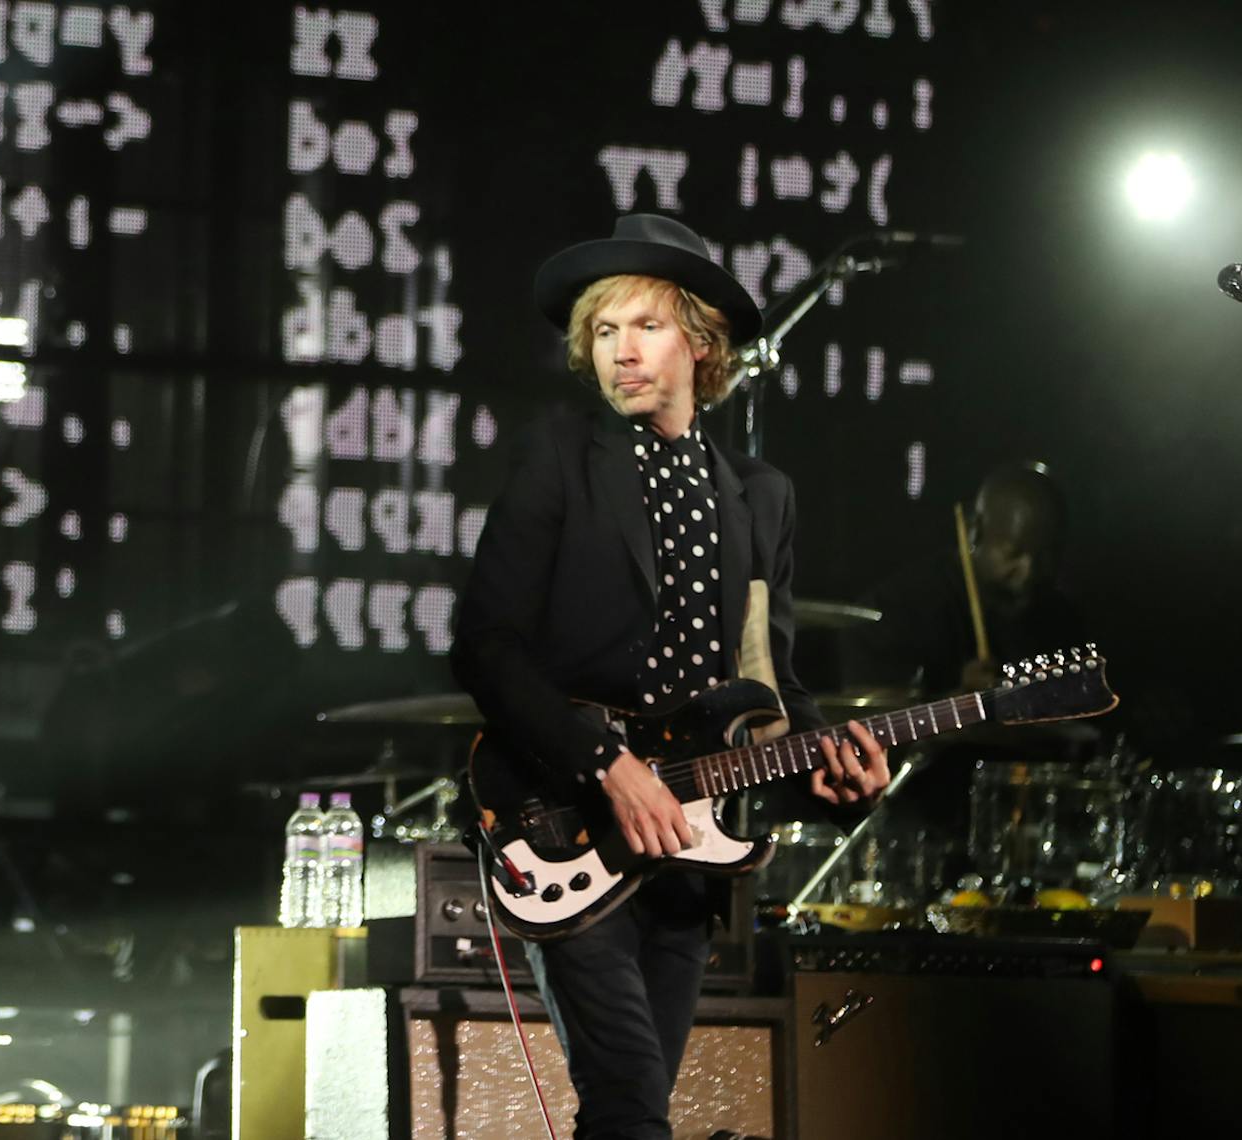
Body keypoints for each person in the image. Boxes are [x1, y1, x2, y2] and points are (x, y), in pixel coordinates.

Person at [452, 213, 890, 1140]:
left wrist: (836, 777)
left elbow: (772, 687)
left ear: (700, 339)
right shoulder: (561, 463)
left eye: (643, 326)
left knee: (629, 1112)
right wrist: (608, 764)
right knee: (630, 1105)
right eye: (603, 333)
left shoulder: (762, 495)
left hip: (695, 849)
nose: (621, 353)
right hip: (570, 818)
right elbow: (486, 645)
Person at [857, 462, 1086, 696]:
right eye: (1012, 554)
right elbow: (877, 715)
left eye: (1044, 557)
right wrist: (960, 702)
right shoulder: (899, 608)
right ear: (972, 531)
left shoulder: (1060, 618)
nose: (1029, 573)